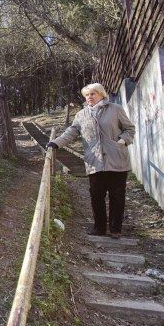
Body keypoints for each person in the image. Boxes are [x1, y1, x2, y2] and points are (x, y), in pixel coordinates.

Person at [46, 83, 135, 238]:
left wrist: (122, 141)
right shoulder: (81, 115)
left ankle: (115, 229)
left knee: (117, 196)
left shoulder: (115, 109)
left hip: (117, 160)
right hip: (94, 162)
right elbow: (71, 132)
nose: (89, 97)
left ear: (101, 94)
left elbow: (130, 129)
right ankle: (99, 228)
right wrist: (56, 143)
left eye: (92, 94)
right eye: (87, 95)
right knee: (96, 196)